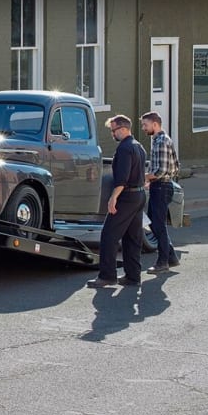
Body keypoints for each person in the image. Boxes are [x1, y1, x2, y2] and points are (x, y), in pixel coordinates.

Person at [88, 115, 148, 288]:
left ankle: (107, 276)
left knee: (109, 235)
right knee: (132, 237)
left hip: (127, 196)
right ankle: (133, 276)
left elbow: (122, 178)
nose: (112, 134)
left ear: (123, 129)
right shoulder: (139, 146)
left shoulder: (124, 149)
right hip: (139, 195)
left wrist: (113, 198)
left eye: (113, 130)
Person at [139, 111, 181, 273]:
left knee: (158, 226)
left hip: (162, 187)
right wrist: (150, 180)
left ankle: (163, 262)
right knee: (154, 225)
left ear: (155, 124)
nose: (143, 128)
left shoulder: (162, 141)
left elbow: (162, 170)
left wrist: (145, 177)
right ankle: (171, 257)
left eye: (145, 124)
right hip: (159, 186)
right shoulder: (157, 140)